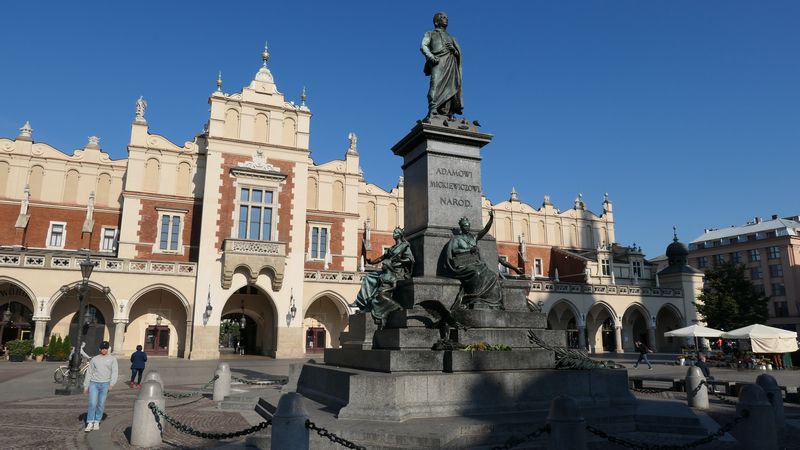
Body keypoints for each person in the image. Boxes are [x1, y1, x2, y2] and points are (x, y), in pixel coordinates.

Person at [351, 227, 414, 328]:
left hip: (397, 272)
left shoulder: (404, 246)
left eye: (396, 232)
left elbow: (409, 259)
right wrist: (371, 262)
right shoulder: (392, 248)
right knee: (369, 277)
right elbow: (382, 257)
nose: (393, 233)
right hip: (388, 270)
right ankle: (361, 301)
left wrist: (399, 261)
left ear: (400, 235)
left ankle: (375, 305)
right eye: (394, 232)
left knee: (378, 281)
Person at [445, 210, 503, 309]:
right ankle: (473, 298)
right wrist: (469, 249)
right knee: (476, 273)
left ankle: (491, 300)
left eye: (468, 226)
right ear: (461, 227)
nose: (467, 228)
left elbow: (485, 229)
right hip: (463, 264)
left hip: (476, 263)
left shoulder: (473, 238)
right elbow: (455, 250)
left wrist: (491, 219)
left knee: (493, 275)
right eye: (465, 226)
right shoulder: (457, 239)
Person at [421, 11, 463, 118]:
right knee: (435, 83)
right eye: (443, 17)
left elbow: (458, 54)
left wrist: (454, 50)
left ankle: (447, 111)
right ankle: (433, 108)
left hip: (450, 62)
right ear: (436, 21)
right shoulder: (430, 34)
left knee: (451, 85)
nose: (446, 19)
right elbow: (423, 46)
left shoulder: (452, 37)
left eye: (447, 18)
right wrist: (430, 56)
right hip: (437, 61)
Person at [83, 341, 118, 432]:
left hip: (105, 384)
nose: (104, 350)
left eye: (106, 348)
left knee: (101, 404)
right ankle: (90, 422)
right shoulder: (94, 359)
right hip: (94, 383)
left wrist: (112, 384)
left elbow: (115, 372)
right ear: (100, 349)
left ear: (108, 349)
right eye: (102, 348)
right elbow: (89, 372)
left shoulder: (112, 359)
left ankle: (97, 421)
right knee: (92, 403)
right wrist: (86, 386)